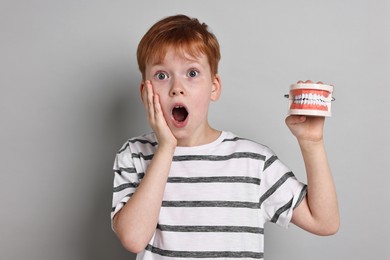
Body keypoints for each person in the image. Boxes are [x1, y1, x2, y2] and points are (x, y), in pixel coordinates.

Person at [111, 14, 339, 259]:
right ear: (146, 92)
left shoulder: (254, 162)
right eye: (162, 76)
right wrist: (166, 146)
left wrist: (311, 142)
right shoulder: (134, 153)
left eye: (192, 73)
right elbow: (134, 239)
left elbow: (324, 222)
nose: (177, 87)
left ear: (214, 87)